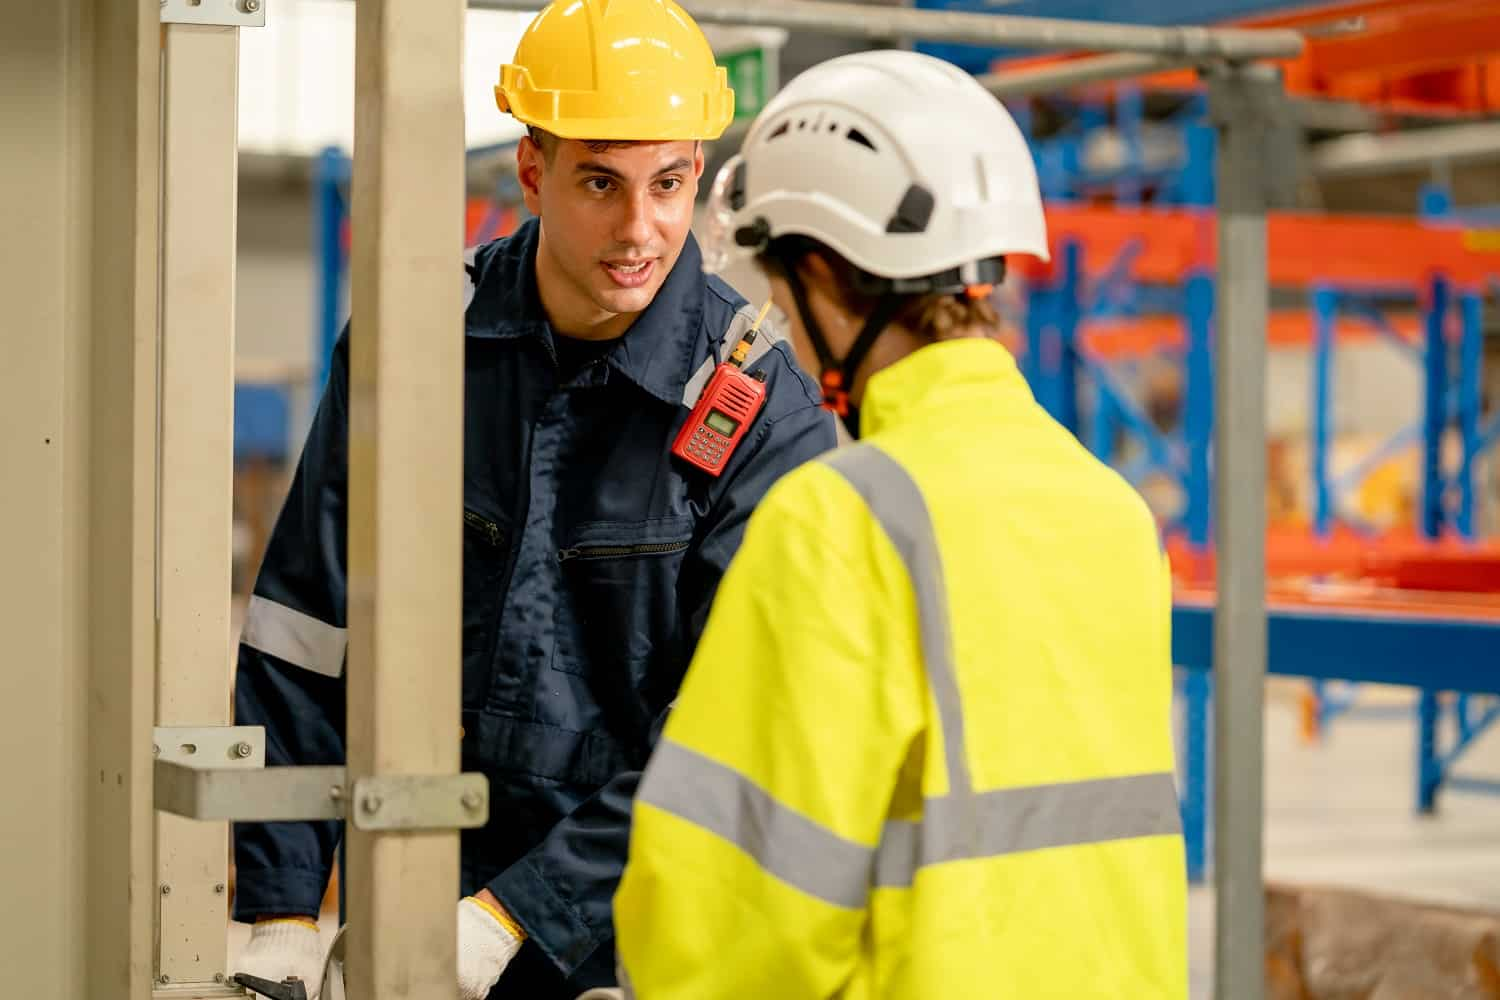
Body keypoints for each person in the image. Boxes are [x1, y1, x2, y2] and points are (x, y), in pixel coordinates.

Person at [229, 0, 836, 996]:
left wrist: (519, 914)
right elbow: (306, 621)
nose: (640, 229)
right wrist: (286, 909)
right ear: (532, 167)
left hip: (632, 934)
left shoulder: (758, 408)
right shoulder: (416, 340)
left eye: (670, 183)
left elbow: (732, 727)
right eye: (601, 181)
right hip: (414, 888)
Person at [612, 49, 1188, 998]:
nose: (779, 324)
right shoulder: (1112, 513)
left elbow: (731, 918)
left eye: (780, 287)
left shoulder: (843, 521)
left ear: (826, 271)